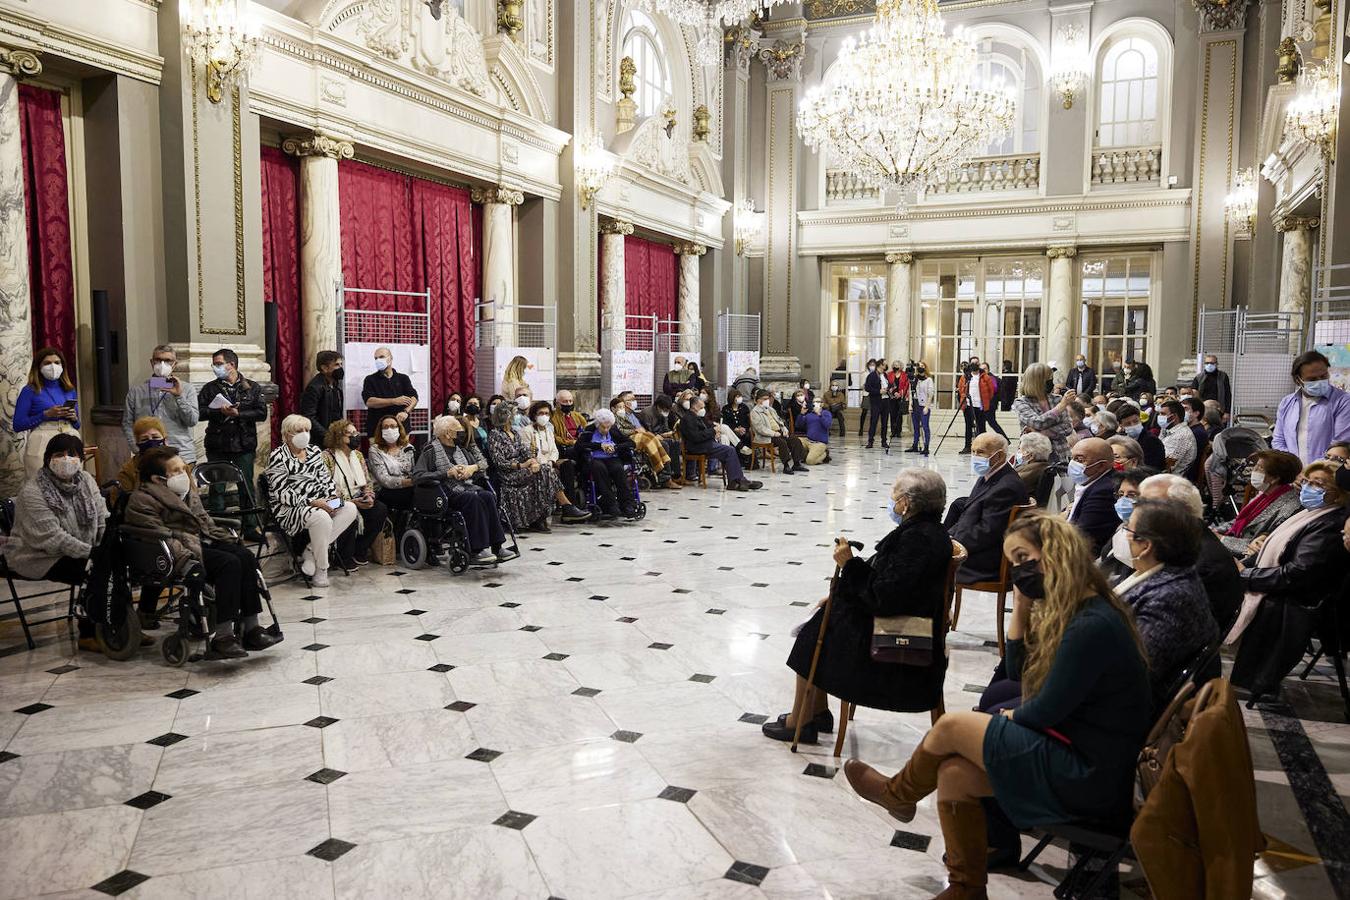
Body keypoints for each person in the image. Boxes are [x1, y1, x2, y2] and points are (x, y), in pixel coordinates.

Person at [842, 511, 1151, 899]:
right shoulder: (1078, 610)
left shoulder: (1091, 625)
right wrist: (1020, 607)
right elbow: (1020, 675)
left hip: (1089, 774)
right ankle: (966, 888)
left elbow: (1044, 711)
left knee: (952, 727)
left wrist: (1012, 716)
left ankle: (898, 794)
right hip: (1078, 752)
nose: (1018, 570)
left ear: (1055, 553)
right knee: (954, 774)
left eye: (1023, 558)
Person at [762, 469, 953, 743]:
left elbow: (884, 597)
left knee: (813, 634)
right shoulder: (923, 531)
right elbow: (886, 581)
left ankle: (802, 721)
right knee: (822, 618)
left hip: (902, 635)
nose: (892, 502)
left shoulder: (919, 540)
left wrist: (849, 565)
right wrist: (841, 591)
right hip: (903, 615)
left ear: (906, 503)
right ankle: (815, 712)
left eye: (894, 497)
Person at [126, 447, 279, 657]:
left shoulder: (185, 491)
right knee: (229, 563)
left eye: (184, 469)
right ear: (157, 479)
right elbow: (160, 536)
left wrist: (229, 538)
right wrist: (188, 561)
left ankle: (251, 627)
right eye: (177, 471)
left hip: (199, 542)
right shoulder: (141, 500)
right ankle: (223, 636)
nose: (184, 475)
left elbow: (204, 521)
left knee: (245, 556)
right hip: (177, 552)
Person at [1228, 461, 1350, 697]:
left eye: (1319, 484)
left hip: (1296, 601)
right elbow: (1273, 550)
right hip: (1278, 584)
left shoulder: (1330, 525)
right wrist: (1245, 565)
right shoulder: (1308, 514)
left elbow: (1296, 574)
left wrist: (1245, 575)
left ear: (1337, 493)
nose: (1309, 488)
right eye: (1307, 482)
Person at [2, 434, 108, 650]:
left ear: (80, 458)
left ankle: (121, 623)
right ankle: (87, 634)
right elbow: (52, 538)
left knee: (115, 564)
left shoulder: (86, 480)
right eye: (59, 455)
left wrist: (104, 546)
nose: (66, 459)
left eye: (72, 454)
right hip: (38, 555)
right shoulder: (33, 491)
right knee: (94, 568)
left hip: (78, 548)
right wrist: (92, 553)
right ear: (48, 459)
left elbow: (101, 516)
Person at [1115, 498, 1220, 695]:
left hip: (1121, 705)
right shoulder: (1167, 573)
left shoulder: (1171, 598)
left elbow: (1131, 669)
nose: (1123, 534)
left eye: (1128, 529)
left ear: (1145, 545)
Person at [264, 414, 360, 588]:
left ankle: (310, 551)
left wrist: (331, 497)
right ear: (287, 434)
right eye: (299, 431)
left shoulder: (315, 452)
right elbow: (281, 493)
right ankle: (322, 569)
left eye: (307, 430)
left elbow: (325, 480)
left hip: (321, 503)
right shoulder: (278, 457)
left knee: (350, 508)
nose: (305, 434)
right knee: (321, 517)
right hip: (292, 508)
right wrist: (314, 502)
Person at [1139, 473, 1243, 632]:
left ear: (1179, 511)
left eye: (1148, 504)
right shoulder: (1181, 541)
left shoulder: (1199, 563)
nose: (1139, 511)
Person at [412, 415, 515, 564]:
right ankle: (476, 550)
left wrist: (471, 469)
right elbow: (418, 476)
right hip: (443, 492)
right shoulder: (430, 450)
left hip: (465, 487)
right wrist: (446, 473)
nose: (462, 432)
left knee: (487, 496)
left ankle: (497, 547)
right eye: (458, 430)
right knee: (472, 498)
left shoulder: (461, 450)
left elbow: (482, 467)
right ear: (447, 433)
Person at [486, 401, 590, 532]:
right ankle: (566, 507)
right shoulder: (495, 435)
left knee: (545, 471)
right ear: (505, 416)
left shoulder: (514, 433)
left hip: (523, 468)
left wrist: (533, 461)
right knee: (546, 471)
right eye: (514, 414)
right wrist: (522, 465)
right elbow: (499, 462)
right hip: (509, 473)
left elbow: (525, 452)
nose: (516, 416)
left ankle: (543, 516)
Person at [197, 348, 267, 538]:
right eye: (214, 364)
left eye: (219, 364)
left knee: (246, 487)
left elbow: (261, 413)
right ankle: (219, 528)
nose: (215, 367)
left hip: (243, 444)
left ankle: (250, 527)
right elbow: (200, 412)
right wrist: (219, 411)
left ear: (232, 365)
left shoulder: (251, 387)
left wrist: (239, 414)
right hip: (217, 444)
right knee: (217, 486)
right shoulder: (210, 388)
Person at [947, 434, 1028, 585]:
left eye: (981, 452)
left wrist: (954, 546)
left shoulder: (1007, 487)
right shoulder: (989, 474)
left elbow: (987, 531)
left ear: (1000, 456)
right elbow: (967, 516)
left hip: (987, 559)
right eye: (973, 452)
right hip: (977, 547)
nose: (975, 457)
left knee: (929, 565)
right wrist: (948, 536)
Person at [321, 419, 388, 566]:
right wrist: (351, 502)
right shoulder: (326, 457)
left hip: (358, 497)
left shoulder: (357, 455)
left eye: (355, 432)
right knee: (348, 511)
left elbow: (367, 481)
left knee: (380, 509)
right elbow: (326, 489)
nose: (354, 436)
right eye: (349, 433)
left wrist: (368, 496)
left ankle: (360, 549)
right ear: (338, 436)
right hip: (332, 501)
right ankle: (343, 557)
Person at [122, 344, 199, 466]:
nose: (162, 364)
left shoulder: (187, 389)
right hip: (148, 455)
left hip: (181, 454)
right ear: (152, 363)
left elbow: (192, 421)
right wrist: (137, 449)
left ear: (175, 364)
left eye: (168, 360)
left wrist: (179, 396)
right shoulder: (136, 392)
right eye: (158, 360)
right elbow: (127, 423)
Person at [1272, 350, 1350, 463]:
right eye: (1312, 379)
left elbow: (1341, 443)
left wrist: (1313, 472)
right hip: (1294, 476)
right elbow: (1278, 440)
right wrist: (1291, 467)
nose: (1320, 381)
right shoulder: (1287, 403)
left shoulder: (1343, 401)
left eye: (1324, 376)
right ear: (1298, 380)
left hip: (1326, 475)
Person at [14, 347, 81, 476]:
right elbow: (18, 425)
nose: (53, 366)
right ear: (38, 367)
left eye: (57, 362)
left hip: (70, 437)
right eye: (47, 363)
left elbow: (78, 425)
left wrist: (74, 418)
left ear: (62, 366)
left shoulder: (69, 390)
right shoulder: (29, 390)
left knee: (72, 483)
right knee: (41, 485)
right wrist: (45, 415)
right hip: (42, 441)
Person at [676, 393, 762, 491]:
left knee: (729, 449)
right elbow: (696, 437)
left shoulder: (698, 417)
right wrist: (712, 431)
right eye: (701, 407)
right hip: (697, 447)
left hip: (705, 444)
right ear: (695, 406)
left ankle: (737, 480)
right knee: (729, 450)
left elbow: (708, 427)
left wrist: (715, 430)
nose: (703, 409)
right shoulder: (687, 419)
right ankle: (738, 481)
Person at [573, 408, 642, 520]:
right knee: (599, 469)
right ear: (597, 424)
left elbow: (631, 443)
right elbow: (578, 447)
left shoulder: (613, 430)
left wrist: (616, 447)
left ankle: (627, 504)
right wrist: (599, 446)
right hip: (594, 459)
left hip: (612, 458)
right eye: (603, 427)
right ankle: (610, 504)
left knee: (619, 470)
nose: (606, 430)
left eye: (608, 427)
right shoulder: (589, 431)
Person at [525, 400, 593, 507]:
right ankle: (567, 506)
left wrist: (551, 461)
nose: (544, 416)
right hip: (537, 463)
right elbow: (528, 453)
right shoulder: (527, 431)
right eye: (541, 413)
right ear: (534, 415)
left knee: (568, 464)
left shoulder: (548, 430)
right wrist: (545, 463)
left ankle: (572, 504)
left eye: (547, 414)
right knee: (549, 470)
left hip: (550, 462)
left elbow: (554, 450)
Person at [1098, 466, 1159, 583]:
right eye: (1120, 494)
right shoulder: (1122, 526)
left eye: (1131, 495)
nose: (1123, 500)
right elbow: (1102, 561)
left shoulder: (1147, 537)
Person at [1012, 362, 1074, 463]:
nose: (1052, 382)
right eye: (1048, 379)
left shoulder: (1057, 399)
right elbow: (1038, 422)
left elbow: (1068, 427)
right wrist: (1060, 407)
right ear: (1037, 382)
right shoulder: (1021, 402)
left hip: (1060, 454)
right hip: (1034, 455)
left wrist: (1039, 433)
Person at [1065, 437, 1118, 554]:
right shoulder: (1092, 481)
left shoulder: (1104, 491)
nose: (1072, 464)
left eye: (1079, 459)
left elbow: (1082, 534)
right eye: (1072, 458)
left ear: (1101, 466)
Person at [611, 390, 675, 480]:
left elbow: (644, 429)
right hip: (631, 439)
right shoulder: (620, 415)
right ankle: (661, 470)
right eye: (631, 399)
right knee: (656, 441)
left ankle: (666, 468)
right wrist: (635, 431)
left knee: (665, 440)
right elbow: (621, 431)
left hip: (643, 435)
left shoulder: (632, 415)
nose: (633, 401)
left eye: (634, 398)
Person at [361, 346, 418, 436]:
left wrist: (406, 412)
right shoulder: (370, 379)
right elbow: (369, 401)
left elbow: (414, 398)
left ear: (390, 358)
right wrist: (394, 401)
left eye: (381, 357)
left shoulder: (403, 378)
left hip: (401, 428)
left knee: (403, 450)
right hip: (377, 429)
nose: (378, 360)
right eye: (376, 358)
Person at [751, 389, 808, 474]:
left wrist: (784, 429)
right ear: (758, 400)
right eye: (764, 399)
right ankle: (786, 465)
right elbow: (760, 429)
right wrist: (773, 433)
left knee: (794, 439)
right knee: (782, 442)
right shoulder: (755, 412)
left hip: (778, 432)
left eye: (767, 398)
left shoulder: (770, 409)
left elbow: (779, 420)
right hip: (766, 435)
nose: (766, 400)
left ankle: (796, 463)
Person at [367, 414, 416, 512]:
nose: (389, 429)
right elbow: (384, 480)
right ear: (380, 431)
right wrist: (410, 482)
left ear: (399, 429)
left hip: (409, 487)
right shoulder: (375, 450)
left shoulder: (408, 447)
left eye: (393, 426)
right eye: (385, 427)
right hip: (385, 490)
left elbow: (413, 472)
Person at [299, 350, 346, 449]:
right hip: (319, 441)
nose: (340, 368)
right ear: (324, 368)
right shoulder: (315, 387)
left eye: (341, 364)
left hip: (334, 437)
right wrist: (326, 435)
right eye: (337, 365)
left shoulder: (336, 386)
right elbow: (309, 416)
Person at [118, 417, 169, 494]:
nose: (151, 442)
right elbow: (123, 501)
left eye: (155, 437)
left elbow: (192, 494)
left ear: (165, 441)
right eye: (144, 439)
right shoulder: (128, 471)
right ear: (138, 444)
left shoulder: (177, 464)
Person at [1111, 401, 1166, 469]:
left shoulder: (1151, 440)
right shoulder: (1120, 440)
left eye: (1135, 421)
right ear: (1121, 426)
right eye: (1128, 424)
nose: (1133, 425)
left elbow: (1151, 467)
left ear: (1140, 420)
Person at [1155, 399, 1197, 476]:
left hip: (1171, 479)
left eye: (1163, 414)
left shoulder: (1182, 435)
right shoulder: (1167, 429)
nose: (1159, 417)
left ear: (1173, 417)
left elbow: (1166, 465)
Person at [906, 362, 936, 456]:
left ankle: (926, 446)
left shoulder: (929, 380)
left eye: (922, 366)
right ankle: (915, 445)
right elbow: (911, 392)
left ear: (925, 368)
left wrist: (927, 406)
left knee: (925, 426)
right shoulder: (914, 379)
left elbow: (930, 394)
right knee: (915, 427)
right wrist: (910, 405)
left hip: (924, 405)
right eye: (919, 366)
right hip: (915, 404)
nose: (920, 368)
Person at [1013, 432, 1052, 498]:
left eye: (1020, 450)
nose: (1018, 453)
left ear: (1030, 455)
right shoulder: (1047, 468)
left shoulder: (1025, 474)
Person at [796, 399, 833, 465]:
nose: (816, 403)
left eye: (818, 402)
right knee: (794, 440)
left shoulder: (826, 413)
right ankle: (805, 455)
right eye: (814, 402)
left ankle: (825, 454)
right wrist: (801, 414)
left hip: (819, 443)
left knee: (810, 461)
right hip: (808, 440)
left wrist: (819, 414)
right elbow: (799, 425)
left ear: (822, 404)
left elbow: (827, 425)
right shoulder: (809, 415)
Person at [864, 357, 889, 449]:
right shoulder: (872, 376)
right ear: (880, 365)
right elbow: (867, 388)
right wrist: (878, 391)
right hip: (876, 401)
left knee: (885, 422)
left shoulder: (885, 375)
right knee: (874, 421)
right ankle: (870, 441)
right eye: (885, 364)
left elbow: (888, 385)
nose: (886, 366)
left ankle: (884, 441)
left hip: (885, 401)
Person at [887, 362, 909, 440]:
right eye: (895, 365)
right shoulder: (889, 374)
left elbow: (906, 386)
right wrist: (893, 393)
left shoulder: (905, 375)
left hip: (901, 397)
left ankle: (899, 432)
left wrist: (900, 394)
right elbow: (888, 385)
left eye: (898, 365)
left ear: (901, 366)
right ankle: (893, 432)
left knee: (899, 415)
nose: (896, 366)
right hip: (892, 397)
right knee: (892, 414)